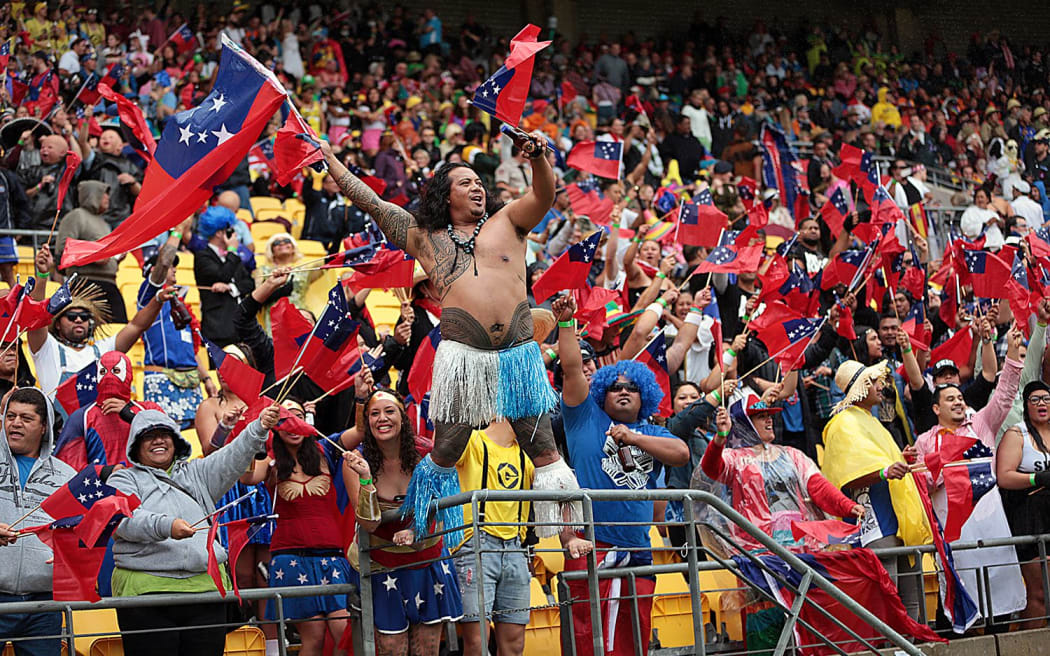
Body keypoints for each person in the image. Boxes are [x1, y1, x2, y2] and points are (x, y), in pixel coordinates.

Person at [320, 131, 579, 540]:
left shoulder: (509, 220)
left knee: (544, 448)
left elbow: (544, 196)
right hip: (463, 358)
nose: (477, 188)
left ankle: (567, 535)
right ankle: (419, 527)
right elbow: (371, 201)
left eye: (479, 182)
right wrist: (331, 161)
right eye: (466, 183)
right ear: (445, 195)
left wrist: (539, 159)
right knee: (445, 450)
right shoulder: (424, 237)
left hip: (518, 356)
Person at [554, 294, 689, 656]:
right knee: (591, 643)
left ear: (644, 394)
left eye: (632, 387)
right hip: (592, 549)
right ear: (602, 393)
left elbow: (681, 454)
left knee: (633, 641)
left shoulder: (652, 433)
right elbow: (570, 368)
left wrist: (633, 437)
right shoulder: (584, 417)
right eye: (615, 387)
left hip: (638, 551)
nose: (624, 391)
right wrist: (566, 324)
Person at [107, 405, 280, 656]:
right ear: (135, 445)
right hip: (145, 596)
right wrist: (167, 526)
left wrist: (259, 427)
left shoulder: (197, 472)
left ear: (175, 440)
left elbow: (234, 455)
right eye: (148, 435)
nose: (158, 440)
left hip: (205, 594)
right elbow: (123, 520)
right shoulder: (123, 479)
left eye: (164, 434)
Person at [913, 324, 1026, 621]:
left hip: (992, 525)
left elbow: (1004, 393)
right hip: (953, 530)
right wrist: (936, 470)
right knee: (959, 596)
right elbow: (922, 483)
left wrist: (1012, 355)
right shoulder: (925, 441)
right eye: (950, 399)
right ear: (936, 409)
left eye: (960, 397)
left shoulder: (982, 426)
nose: (958, 402)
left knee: (998, 595)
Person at [452, 419, 592, 656]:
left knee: (515, 644)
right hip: (475, 546)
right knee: (477, 642)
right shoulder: (472, 441)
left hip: (516, 549)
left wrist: (568, 538)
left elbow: (558, 490)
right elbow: (443, 442)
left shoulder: (528, 457)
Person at [342, 388, 462, 656]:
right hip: (381, 565)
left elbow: (441, 507)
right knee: (392, 650)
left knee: (426, 650)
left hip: (426, 560)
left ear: (402, 416)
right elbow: (369, 523)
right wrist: (364, 479)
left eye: (388, 411)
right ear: (367, 421)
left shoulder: (428, 454)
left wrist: (415, 530)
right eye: (374, 413)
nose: (381, 419)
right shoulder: (356, 460)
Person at [821, 360, 932, 620]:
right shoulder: (842, 425)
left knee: (911, 597)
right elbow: (844, 478)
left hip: (898, 516)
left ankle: (910, 650)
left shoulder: (871, 421)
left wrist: (901, 460)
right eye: (873, 382)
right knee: (887, 597)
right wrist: (884, 472)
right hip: (875, 520)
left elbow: (881, 463)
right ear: (860, 388)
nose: (881, 386)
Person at [241, 398, 352, 656]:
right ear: (276, 426)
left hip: (332, 557)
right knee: (312, 639)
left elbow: (358, 431)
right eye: (284, 419)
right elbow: (247, 477)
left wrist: (359, 397)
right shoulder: (270, 462)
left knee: (344, 633)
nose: (292, 424)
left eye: (298, 416)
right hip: (292, 560)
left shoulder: (326, 449)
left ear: (307, 421)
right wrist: (252, 435)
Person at [701, 397, 864, 551]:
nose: (769, 420)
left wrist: (848, 506)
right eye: (761, 416)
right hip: (758, 547)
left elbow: (818, 487)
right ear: (745, 423)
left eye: (769, 415)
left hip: (799, 542)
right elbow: (711, 468)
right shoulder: (735, 458)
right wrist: (720, 437)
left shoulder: (792, 455)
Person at [28, 245, 172, 397]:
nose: (78, 320)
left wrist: (157, 300)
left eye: (84, 317)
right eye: (71, 316)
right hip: (59, 421)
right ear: (57, 324)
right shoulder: (47, 349)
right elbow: (36, 318)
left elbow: (137, 326)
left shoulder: (103, 350)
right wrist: (42, 275)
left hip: (95, 420)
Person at [0, 388, 75, 656]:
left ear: (44, 427)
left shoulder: (68, 477)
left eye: (26, 418)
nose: (16, 423)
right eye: (10, 416)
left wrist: (72, 552)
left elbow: (82, 532)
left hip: (44, 605)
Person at [996, 381, 1050, 629]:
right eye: (1035, 399)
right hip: (1030, 518)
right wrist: (1036, 478)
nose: (1042, 404)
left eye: (1047, 399)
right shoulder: (1017, 434)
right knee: (1040, 593)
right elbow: (1004, 476)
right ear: (1026, 405)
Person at [53, 350, 164, 469]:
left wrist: (132, 417)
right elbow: (66, 465)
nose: (109, 376)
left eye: (116, 371)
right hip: (100, 486)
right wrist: (105, 472)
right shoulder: (81, 417)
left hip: (146, 484)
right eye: (103, 371)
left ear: (129, 375)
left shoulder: (149, 409)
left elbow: (169, 443)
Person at [53, 181, 128, 322]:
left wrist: (115, 258)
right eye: (104, 194)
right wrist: (94, 257)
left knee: (120, 327)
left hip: (109, 283)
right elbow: (63, 248)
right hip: (85, 282)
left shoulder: (104, 223)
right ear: (92, 195)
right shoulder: (76, 216)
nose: (107, 198)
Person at [194, 206, 256, 348]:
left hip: (240, 327)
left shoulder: (232, 257)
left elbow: (249, 283)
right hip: (218, 328)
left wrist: (231, 288)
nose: (235, 234)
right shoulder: (203, 256)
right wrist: (232, 251)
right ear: (219, 233)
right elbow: (223, 275)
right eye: (231, 230)